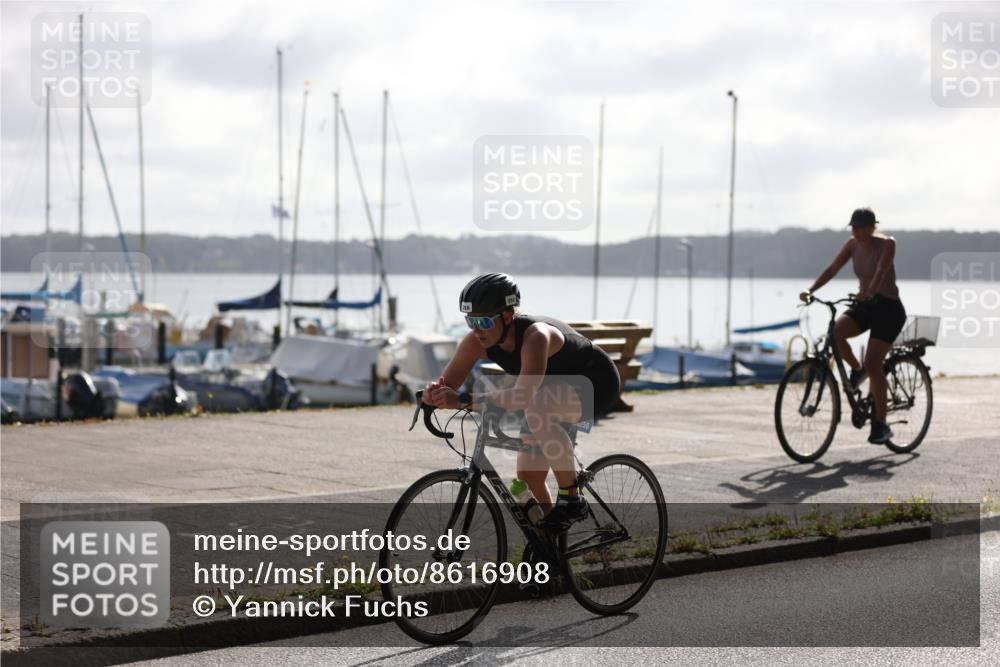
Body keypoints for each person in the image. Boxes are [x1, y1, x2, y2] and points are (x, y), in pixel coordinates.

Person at [423, 273, 621, 530]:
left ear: (506, 316)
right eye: (470, 320)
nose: (476, 329)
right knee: (527, 478)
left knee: (538, 407)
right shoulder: (476, 340)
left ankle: (572, 498)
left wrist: (461, 399)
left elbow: (521, 397)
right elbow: (447, 383)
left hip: (594, 382)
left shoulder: (535, 336)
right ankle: (553, 542)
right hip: (547, 390)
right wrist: (432, 394)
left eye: (483, 321)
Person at [799, 208, 907, 444]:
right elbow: (832, 269)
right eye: (853, 228)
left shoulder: (887, 244)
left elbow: (880, 272)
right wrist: (811, 290)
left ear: (871, 227)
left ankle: (881, 424)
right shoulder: (852, 245)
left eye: (860, 228)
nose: (856, 233)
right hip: (865, 304)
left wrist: (869, 291)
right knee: (835, 333)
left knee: (874, 363)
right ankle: (858, 370)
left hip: (888, 309)